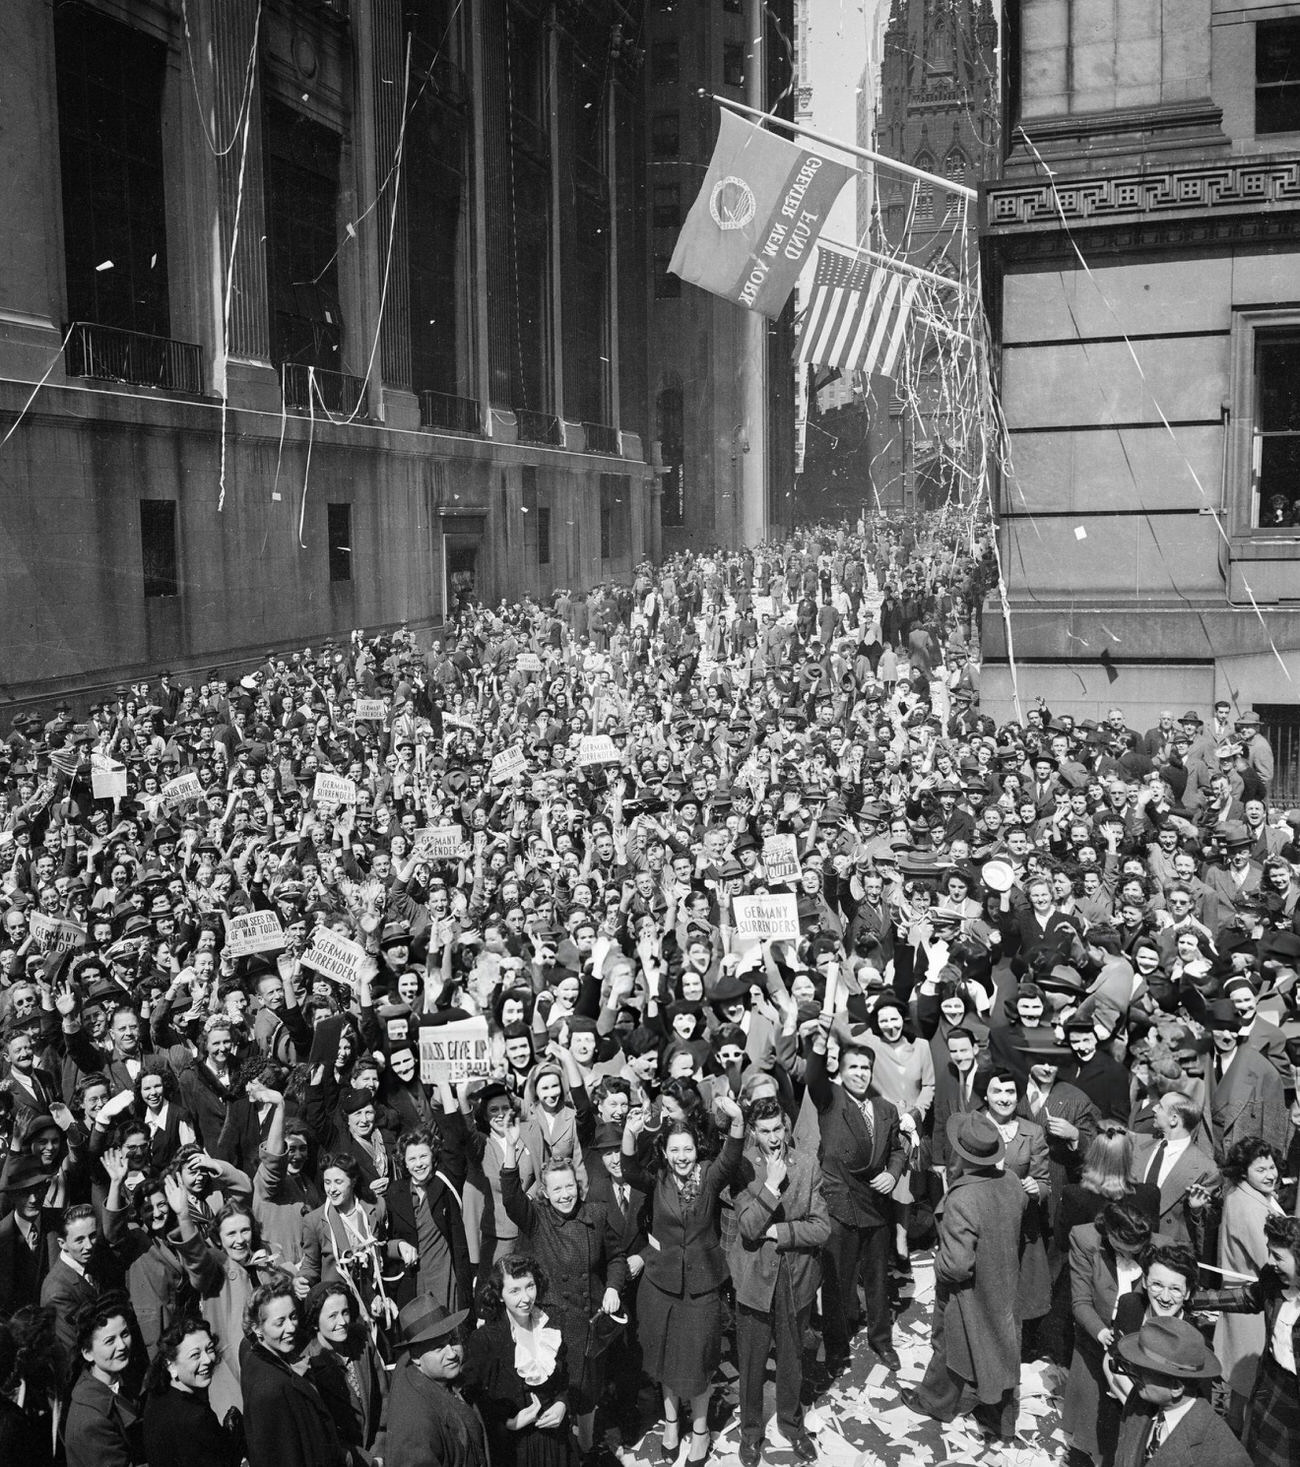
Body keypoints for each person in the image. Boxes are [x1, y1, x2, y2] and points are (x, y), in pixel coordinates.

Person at [620, 1092, 745, 1465]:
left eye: (687, 1148)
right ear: (666, 1152)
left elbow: (733, 1153)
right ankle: (672, 1423)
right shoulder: (658, 1179)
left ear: (696, 1147)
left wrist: (736, 1117)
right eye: (674, 1150)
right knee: (666, 1363)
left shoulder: (709, 1174)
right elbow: (627, 1168)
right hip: (661, 1287)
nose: (681, 1157)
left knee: (699, 1363)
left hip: (703, 1287)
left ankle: (702, 1430)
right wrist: (629, 1131)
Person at [902, 1113, 1028, 1445]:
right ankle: (993, 1413)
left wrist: (938, 1263)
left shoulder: (961, 1198)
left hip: (967, 1291)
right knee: (999, 1347)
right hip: (1004, 1282)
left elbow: (957, 1266)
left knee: (951, 1343)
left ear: (961, 1154)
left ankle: (935, 1401)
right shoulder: (1012, 1181)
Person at [499, 1130, 626, 1455]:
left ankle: (585, 1446)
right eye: (557, 1188)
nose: (565, 1194)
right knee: (557, 1393)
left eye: (570, 1186)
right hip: (552, 1325)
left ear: (578, 1186)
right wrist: (511, 1154)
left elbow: (616, 1257)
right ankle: (563, 1450)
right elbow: (512, 1197)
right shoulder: (537, 1218)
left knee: (587, 1395)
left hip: (590, 1323)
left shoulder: (595, 1215)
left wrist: (613, 1286)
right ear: (545, 1192)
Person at [727, 1094, 829, 1466]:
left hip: (797, 1278)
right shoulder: (741, 1168)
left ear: (786, 1127)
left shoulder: (806, 1164)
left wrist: (780, 1233)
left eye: (779, 1129)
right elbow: (750, 1227)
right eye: (765, 1131)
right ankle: (750, 1432)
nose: (774, 1138)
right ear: (752, 1133)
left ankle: (790, 1423)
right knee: (752, 1362)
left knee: (792, 1357)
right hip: (754, 1280)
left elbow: (821, 1228)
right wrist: (770, 1186)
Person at [802, 1019, 905, 1375]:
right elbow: (813, 1075)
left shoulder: (886, 1109)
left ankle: (881, 1341)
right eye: (853, 1068)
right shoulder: (830, 1100)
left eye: (865, 1068)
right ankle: (836, 1346)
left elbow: (898, 1149)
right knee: (836, 1285)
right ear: (841, 1072)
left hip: (876, 1204)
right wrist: (819, 1041)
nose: (860, 1074)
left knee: (878, 1279)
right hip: (840, 1205)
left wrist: (893, 1173)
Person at [1191, 1212, 1300, 1467]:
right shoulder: (1273, 1280)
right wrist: (1192, 1298)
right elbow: (1247, 1298)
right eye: (1269, 1252)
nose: (1270, 1261)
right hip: (1273, 1388)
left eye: (1278, 1256)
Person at [1063, 1201, 1159, 1466]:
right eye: (1122, 1250)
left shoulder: (1158, 1245)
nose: (1129, 1257)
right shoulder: (1084, 1239)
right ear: (1110, 1233)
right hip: (1097, 1336)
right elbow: (1080, 1302)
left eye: (1135, 1252)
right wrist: (1101, 1332)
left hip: (1137, 1340)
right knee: (1091, 1413)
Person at [462, 1254, 573, 1467]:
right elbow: (471, 1396)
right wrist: (509, 1423)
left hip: (555, 1443)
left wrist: (562, 1404)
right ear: (500, 1295)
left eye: (529, 1286)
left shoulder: (551, 1323)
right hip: (514, 1449)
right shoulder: (486, 1339)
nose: (526, 1298)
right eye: (514, 1290)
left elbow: (565, 1377)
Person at [1213, 1136, 1287, 1431]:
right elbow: (1269, 1262)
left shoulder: (1246, 1194)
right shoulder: (1249, 1207)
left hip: (1245, 1306)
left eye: (1272, 1167)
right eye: (1261, 1170)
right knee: (1250, 1390)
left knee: (1243, 1390)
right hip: (1254, 1310)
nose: (1270, 1175)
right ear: (1244, 1172)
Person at [1110, 1318, 1251, 1467]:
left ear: (1176, 1388)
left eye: (1142, 1370)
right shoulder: (1139, 1399)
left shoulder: (1226, 1456)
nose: (1132, 1372)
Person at [238, 1279, 348, 1467]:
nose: (291, 1328)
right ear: (257, 1328)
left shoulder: (257, 1354)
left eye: (293, 1316)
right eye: (280, 1322)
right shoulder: (271, 1388)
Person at [382, 1295, 488, 1467]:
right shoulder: (416, 1421)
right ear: (416, 1356)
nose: (452, 1354)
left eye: (453, 1341)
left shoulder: (435, 1376)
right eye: (438, 1348)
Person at [302, 1282, 388, 1464]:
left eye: (345, 1312)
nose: (342, 1322)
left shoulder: (361, 1339)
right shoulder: (309, 1365)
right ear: (315, 1322)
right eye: (332, 1316)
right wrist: (367, 1461)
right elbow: (324, 1436)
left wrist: (379, 1451)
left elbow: (384, 1397)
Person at [140, 1315, 240, 1467]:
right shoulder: (196, 1418)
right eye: (195, 1355)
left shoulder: (157, 1395)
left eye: (209, 1349)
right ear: (171, 1365)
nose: (207, 1360)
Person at [63, 1293, 145, 1467]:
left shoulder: (116, 1381)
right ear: (87, 1353)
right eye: (110, 1341)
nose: (122, 1346)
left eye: (124, 1334)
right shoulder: (93, 1420)